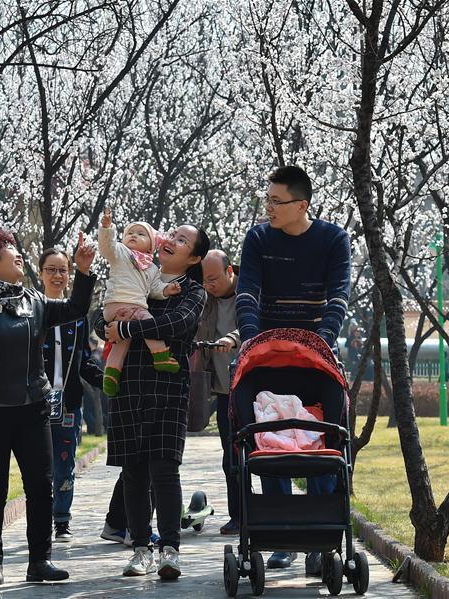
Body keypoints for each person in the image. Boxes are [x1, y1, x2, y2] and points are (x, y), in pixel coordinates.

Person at [0, 227, 96, 585]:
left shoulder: (34, 301)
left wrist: (83, 270)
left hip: (33, 407)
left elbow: (76, 308)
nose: (18, 254)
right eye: (9, 248)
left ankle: (40, 561)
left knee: (40, 487)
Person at [236, 165, 351, 572]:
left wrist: (322, 341)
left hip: (314, 355)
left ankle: (321, 535)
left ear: (301, 205)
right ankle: (279, 533)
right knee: (266, 438)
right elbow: (248, 292)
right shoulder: (258, 239)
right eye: (266, 200)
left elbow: (338, 296)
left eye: (276, 201)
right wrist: (251, 339)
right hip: (267, 355)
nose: (268, 208)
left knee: (326, 436)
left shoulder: (333, 240)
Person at [96, 223, 209, 580]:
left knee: (164, 470)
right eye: (171, 235)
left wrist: (125, 329)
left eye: (182, 240)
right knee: (133, 473)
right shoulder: (138, 272)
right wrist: (108, 325)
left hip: (168, 389)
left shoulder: (193, 292)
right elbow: (101, 316)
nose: (171, 241)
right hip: (129, 385)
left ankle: (170, 550)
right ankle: (140, 550)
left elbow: (177, 323)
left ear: (194, 258)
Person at [38, 247, 104, 542]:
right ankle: (39, 520)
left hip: (68, 402)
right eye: (51, 269)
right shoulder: (33, 310)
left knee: (65, 462)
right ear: (41, 273)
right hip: (35, 403)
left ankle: (62, 519)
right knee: (39, 466)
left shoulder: (77, 317)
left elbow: (85, 361)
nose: (57, 275)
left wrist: (107, 381)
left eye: (62, 270)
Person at [97, 207, 182, 395]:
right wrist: (107, 229)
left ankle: (110, 374)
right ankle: (160, 355)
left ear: (151, 246)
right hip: (122, 304)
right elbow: (106, 247)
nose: (133, 235)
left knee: (121, 342)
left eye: (141, 234)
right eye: (130, 233)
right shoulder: (120, 252)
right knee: (148, 322)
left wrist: (167, 289)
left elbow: (155, 289)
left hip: (120, 310)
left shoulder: (151, 269)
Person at [195, 249, 241, 534]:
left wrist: (232, 339)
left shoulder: (249, 292)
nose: (208, 285)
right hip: (224, 391)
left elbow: (253, 326)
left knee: (260, 456)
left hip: (251, 388)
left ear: (230, 271)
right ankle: (238, 516)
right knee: (230, 457)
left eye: (213, 279)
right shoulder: (204, 300)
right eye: (204, 280)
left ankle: (269, 513)